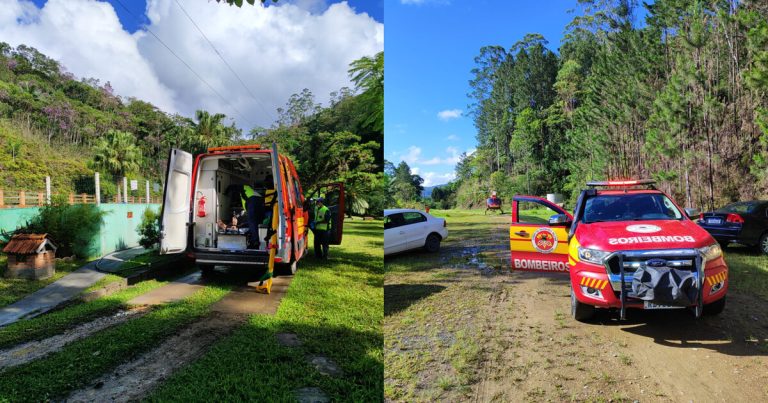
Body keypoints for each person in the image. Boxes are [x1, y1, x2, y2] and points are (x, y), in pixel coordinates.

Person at [241, 183, 265, 249]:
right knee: (258, 222)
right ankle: (259, 240)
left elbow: (245, 203)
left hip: (253, 202)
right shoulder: (250, 190)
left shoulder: (242, 188)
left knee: (252, 221)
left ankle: (255, 241)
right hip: (259, 202)